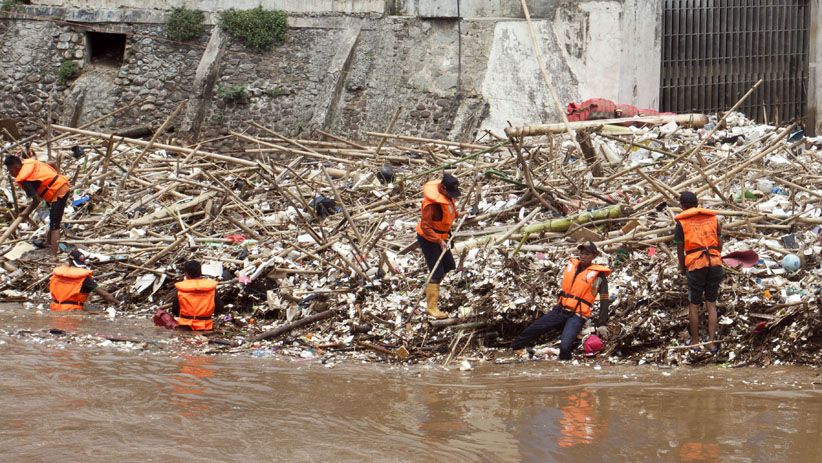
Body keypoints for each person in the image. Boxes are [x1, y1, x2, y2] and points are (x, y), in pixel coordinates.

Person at [511, 242, 611, 360]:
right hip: (560, 310)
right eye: (581, 253)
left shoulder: (599, 276)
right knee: (531, 331)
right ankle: (518, 351)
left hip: (577, 315)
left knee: (564, 348)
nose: (583, 256)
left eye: (587, 254)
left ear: (594, 256)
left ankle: (565, 366)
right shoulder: (572, 266)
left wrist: (602, 323)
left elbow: (604, 299)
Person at [674, 191, 723, 353]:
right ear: (697, 203)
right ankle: (711, 342)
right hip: (715, 263)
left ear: (682, 206)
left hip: (696, 265)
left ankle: (695, 342)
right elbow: (720, 244)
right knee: (711, 303)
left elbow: (680, 249)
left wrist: (682, 267)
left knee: (694, 305)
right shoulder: (713, 219)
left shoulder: (681, 223)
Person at [4, 154, 70, 256]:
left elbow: (37, 201)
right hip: (58, 185)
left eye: (11, 170)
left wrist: (25, 213)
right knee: (52, 219)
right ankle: (48, 244)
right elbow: (51, 163)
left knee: (55, 225)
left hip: (59, 191)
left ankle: (53, 255)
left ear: (17, 167)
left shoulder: (25, 180)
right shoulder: (29, 164)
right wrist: (58, 175)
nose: (10, 173)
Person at [415, 172, 461, 319]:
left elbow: (449, 212)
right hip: (428, 238)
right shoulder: (431, 205)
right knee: (436, 272)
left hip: (442, 237)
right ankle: (432, 308)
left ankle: (436, 287)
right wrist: (439, 242)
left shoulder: (447, 197)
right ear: (442, 188)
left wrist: (460, 214)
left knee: (449, 265)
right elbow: (426, 227)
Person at [49, 250, 117, 311]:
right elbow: (104, 295)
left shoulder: (57, 274)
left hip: (55, 307)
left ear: (69, 261)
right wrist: (118, 303)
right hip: (72, 310)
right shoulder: (84, 278)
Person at [171, 260, 224, 331]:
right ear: (200, 273)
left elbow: (175, 311)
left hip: (185, 327)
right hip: (205, 326)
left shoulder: (181, 289)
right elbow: (219, 309)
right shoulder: (211, 289)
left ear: (186, 274)